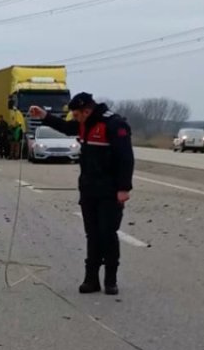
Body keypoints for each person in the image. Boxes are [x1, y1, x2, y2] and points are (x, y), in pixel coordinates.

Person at [30, 93, 134, 295]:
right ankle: (91, 279)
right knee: (92, 235)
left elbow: (126, 158)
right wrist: (44, 116)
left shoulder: (113, 124)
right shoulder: (85, 123)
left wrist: (124, 188)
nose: (75, 119)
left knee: (108, 234)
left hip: (110, 192)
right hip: (88, 190)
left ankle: (110, 280)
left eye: (77, 115)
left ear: (87, 111)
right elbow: (66, 128)